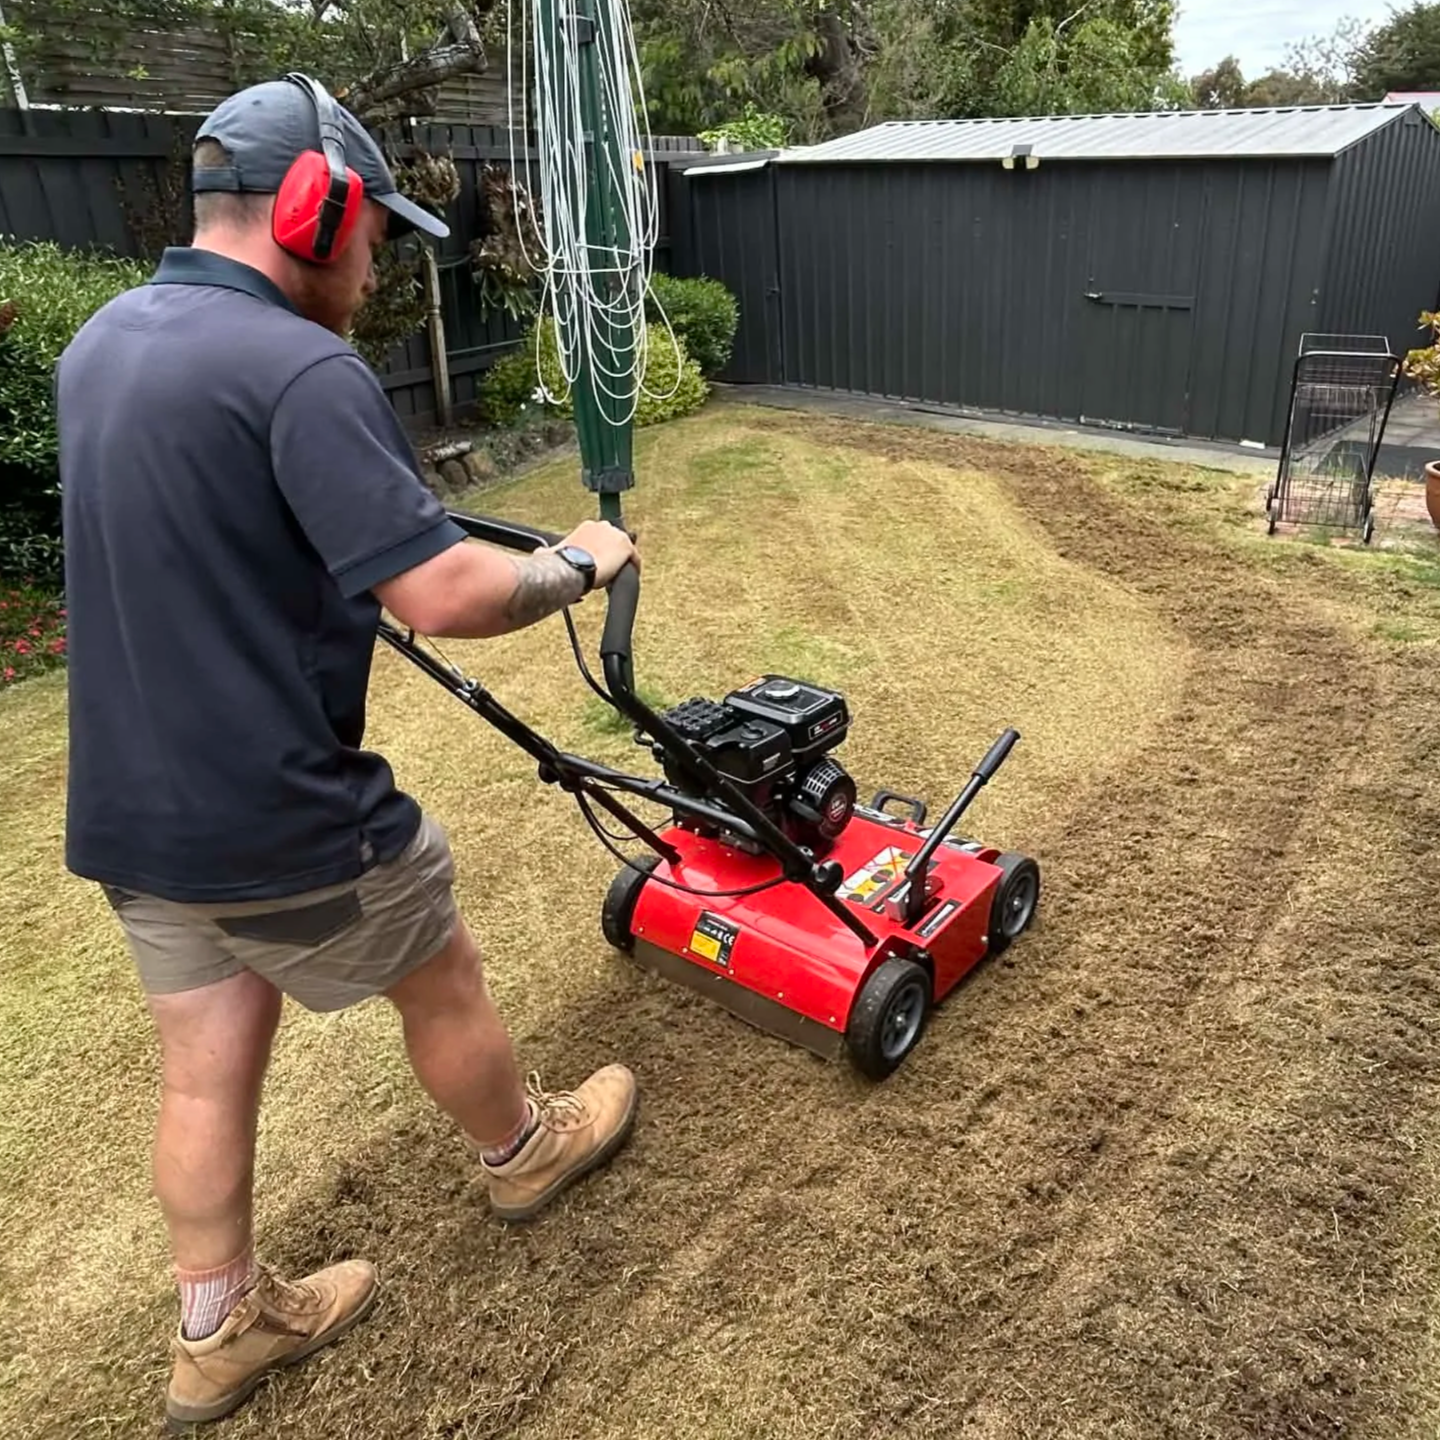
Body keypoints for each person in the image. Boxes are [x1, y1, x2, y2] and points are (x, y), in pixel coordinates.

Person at [55, 74, 641, 1430]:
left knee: (204, 1061)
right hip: (275, 807)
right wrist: (575, 560)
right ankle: (523, 1150)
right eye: (370, 230)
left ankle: (216, 1325)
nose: (373, 263)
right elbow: (439, 593)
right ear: (310, 213)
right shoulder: (299, 367)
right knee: (439, 966)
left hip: (135, 814)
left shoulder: (103, 344)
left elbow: (223, 537)